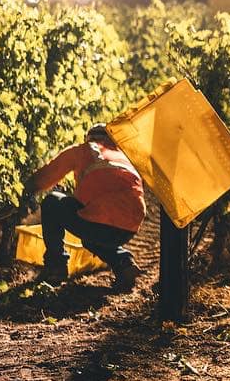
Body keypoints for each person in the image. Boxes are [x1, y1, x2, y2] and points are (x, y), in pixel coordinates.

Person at [24, 124, 145, 291]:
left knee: (52, 202)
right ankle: (124, 264)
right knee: (91, 237)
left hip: (101, 219)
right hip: (129, 226)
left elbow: (43, 179)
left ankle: (56, 266)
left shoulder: (84, 150)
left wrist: (23, 192)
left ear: (89, 138)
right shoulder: (123, 155)